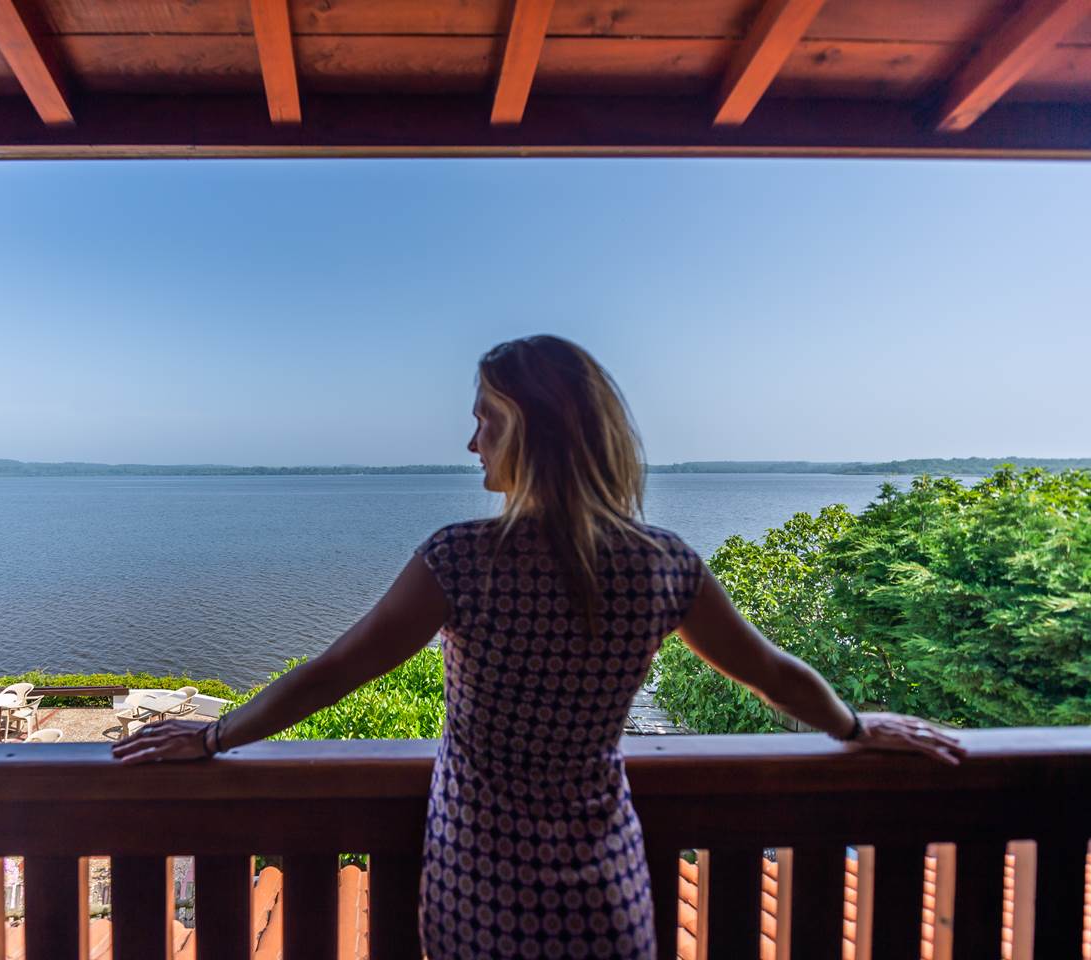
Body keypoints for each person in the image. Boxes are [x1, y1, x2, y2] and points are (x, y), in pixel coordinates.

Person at [113, 335, 964, 959]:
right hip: (606, 890)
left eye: (485, 420)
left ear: (532, 432)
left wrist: (215, 736)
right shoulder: (664, 564)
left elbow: (336, 672)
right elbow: (772, 674)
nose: (471, 440)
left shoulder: (461, 560)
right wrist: (853, 726)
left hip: (481, 887)